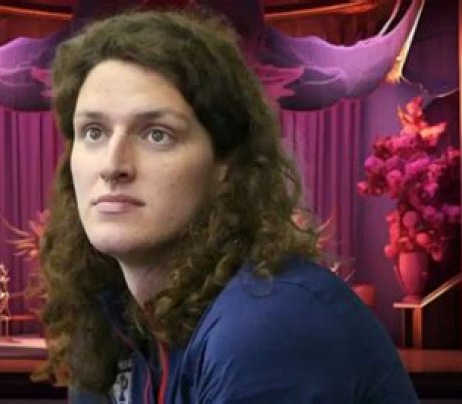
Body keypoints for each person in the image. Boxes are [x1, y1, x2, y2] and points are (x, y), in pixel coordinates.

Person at [39, 8, 419, 404]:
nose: (112, 165)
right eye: (93, 132)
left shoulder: (272, 321)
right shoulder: (117, 321)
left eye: (156, 134)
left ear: (227, 165)